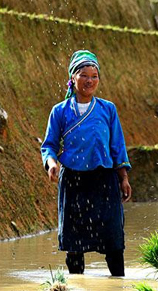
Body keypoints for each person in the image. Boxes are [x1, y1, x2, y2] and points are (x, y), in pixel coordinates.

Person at [41, 50, 132, 276]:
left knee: (113, 241)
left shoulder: (107, 109)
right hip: (73, 180)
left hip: (104, 180)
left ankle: (117, 288)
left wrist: (124, 178)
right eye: (84, 75)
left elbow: (117, 146)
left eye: (94, 76)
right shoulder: (60, 111)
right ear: (73, 78)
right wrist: (52, 164)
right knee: (74, 244)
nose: (89, 81)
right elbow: (49, 145)